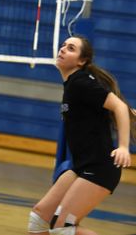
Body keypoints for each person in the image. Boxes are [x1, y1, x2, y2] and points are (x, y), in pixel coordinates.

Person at [28, 35, 136, 235]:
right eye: (63, 46)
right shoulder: (72, 84)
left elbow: (119, 107)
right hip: (81, 165)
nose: (62, 49)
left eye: (70, 48)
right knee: (39, 220)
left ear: (82, 61)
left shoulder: (81, 83)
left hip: (99, 168)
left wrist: (123, 147)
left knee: (63, 227)